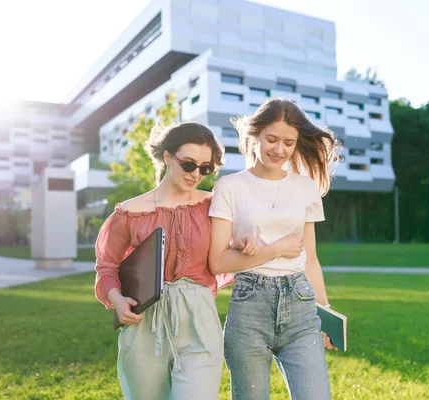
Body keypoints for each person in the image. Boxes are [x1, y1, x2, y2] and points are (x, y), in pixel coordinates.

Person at [209, 98, 341, 400]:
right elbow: (217, 261)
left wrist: (327, 311)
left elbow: (311, 260)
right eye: (271, 139)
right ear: (254, 136)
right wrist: (275, 248)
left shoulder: (306, 188)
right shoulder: (229, 187)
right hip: (249, 308)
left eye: (288, 143)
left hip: (300, 306)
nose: (278, 150)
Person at [93, 122, 232, 400]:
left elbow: (233, 250)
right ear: (167, 157)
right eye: (189, 164)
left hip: (199, 320)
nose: (196, 175)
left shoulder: (215, 206)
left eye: (205, 168)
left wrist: (247, 245)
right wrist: (118, 301)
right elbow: (106, 268)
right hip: (145, 322)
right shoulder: (130, 213)